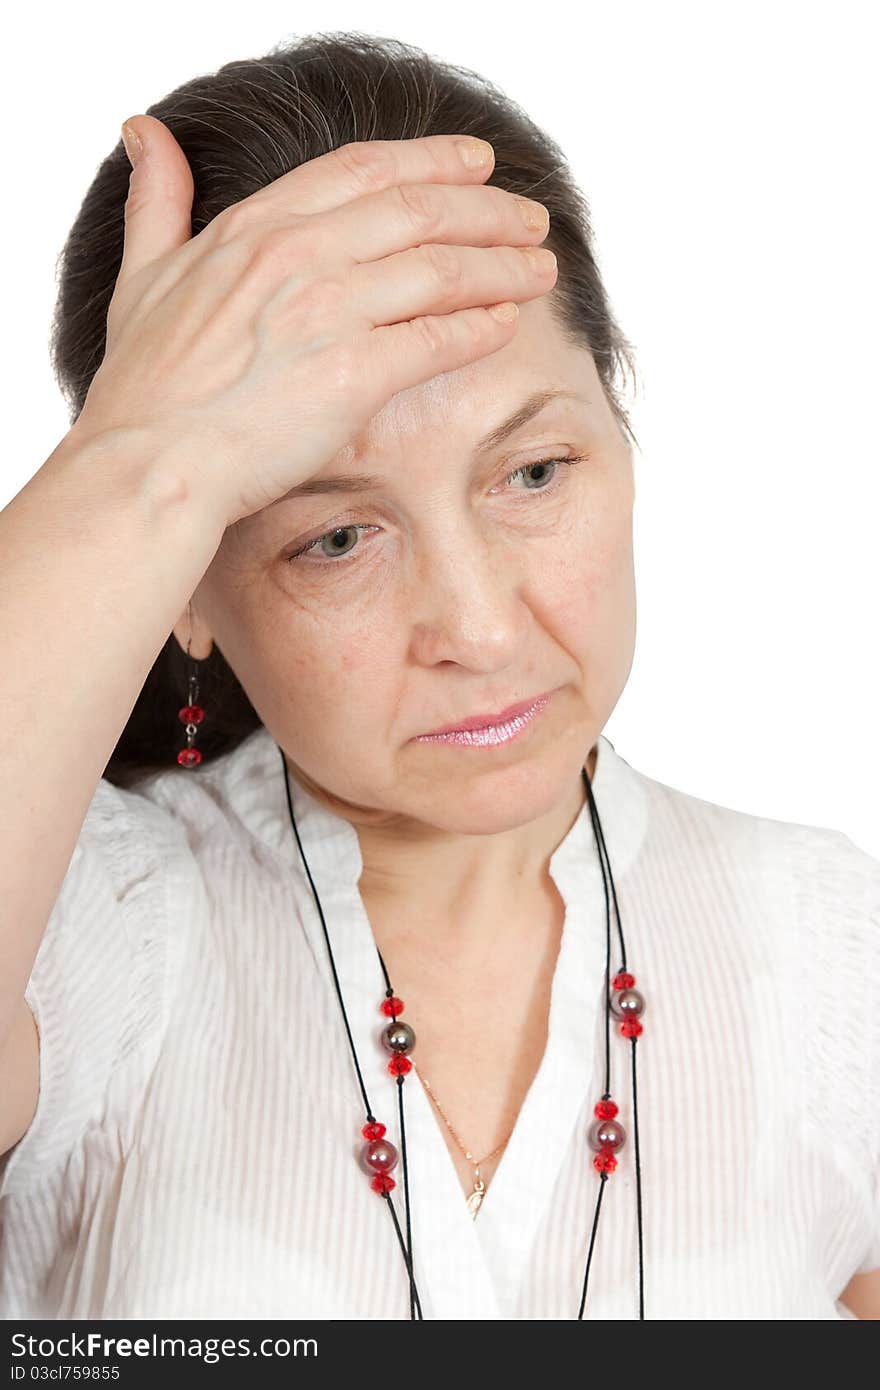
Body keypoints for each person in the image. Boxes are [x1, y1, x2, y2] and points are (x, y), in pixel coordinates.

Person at [0, 32, 877, 1321]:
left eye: (533, 473)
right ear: (186, 580)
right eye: (336, 537)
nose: (475, 625)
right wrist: (146, 460)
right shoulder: (85, 941)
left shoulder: (824, 942)